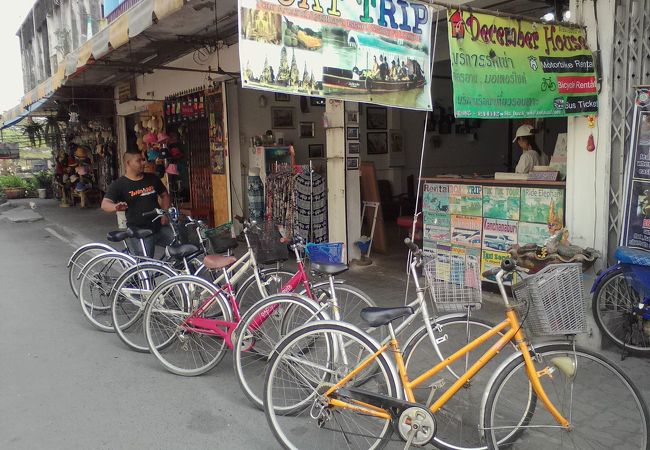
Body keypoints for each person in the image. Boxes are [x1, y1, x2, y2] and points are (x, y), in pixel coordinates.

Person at [101, 150, 173, 257]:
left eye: (143, 160)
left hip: (159, 227)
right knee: (145, 266)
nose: (143, 163)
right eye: (139, 161)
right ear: (128, 163)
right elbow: (105, 204)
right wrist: (115, 207)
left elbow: (164, 195)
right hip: (139, 231)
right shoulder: (119, 184)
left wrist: (165, 212)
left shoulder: (152, 178)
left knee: (181, 248)